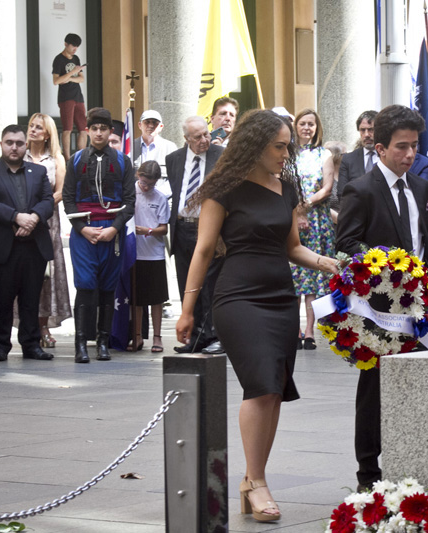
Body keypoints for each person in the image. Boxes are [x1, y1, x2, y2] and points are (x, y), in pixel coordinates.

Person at [176, 109, 339, 523]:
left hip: (280, 295)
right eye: (280, 146)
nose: (287, 153)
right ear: (255, 144)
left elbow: (292, 248)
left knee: (275, 390)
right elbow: (203, 249)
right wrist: (188, 309)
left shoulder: (285, 187)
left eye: (288, 146)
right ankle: (256, 482)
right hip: (238, 297)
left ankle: (253, 480)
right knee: (261, 383)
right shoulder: (224, 188)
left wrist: (327, 262)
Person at [336, 104, 428, 491]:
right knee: (374, 389)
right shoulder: (360, 189)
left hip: (420, 307)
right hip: (378, 309)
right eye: (401, 147)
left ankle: (415, 457)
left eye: (414, 146)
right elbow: (345, 243)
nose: (409, 154)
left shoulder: (423, 188)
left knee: (421, 379)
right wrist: (386, 270)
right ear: (379, 148)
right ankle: (368, 472)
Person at [0, 124, 55, 362]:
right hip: (2, 245)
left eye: (19, 143)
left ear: (25, 145)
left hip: (33, 245)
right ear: (1, 144)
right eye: (9, 142)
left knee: (31, 297)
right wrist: (16, 216)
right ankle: (0, 345)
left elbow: (48, 201)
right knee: (2, 298)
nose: (14, 147)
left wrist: (34, 218)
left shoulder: (37, 171)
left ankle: (31, 345)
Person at [63, 107, 135, 363]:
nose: (99, 133)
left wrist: (114, 228)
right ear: (88, 130)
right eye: (94, 128)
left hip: (112, 232)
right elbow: (68, 200)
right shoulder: (76, 160)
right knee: (85, 286)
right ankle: (81, 344)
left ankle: (102, 343)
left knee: (107, 288)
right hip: (84, 231)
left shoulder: (123, 161)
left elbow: (129, 201)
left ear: (110, 131)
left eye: (103, 129)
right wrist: (82, 229)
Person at [166, 116, 225, 354]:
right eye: (198, 137)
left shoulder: (220, 156)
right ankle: (194, 336)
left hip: (209, 228)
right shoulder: (174, 160)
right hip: (182, 227)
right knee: (186, 283)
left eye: (206, 134)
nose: (204, 140)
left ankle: (214, 335)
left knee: (210, 283)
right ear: (186, 139)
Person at [22, 113, 72, 348]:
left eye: (38, 127)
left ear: (47, 133)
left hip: (46, 224)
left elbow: (61, 192)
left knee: (45, 277)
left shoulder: (56, 159)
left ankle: (43, 326)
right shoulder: (19, 155)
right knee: (21, 275)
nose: (32, 130)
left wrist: (37, 211)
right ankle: (26, 327)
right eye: (31, 126)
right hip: (19, 224)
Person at [291, 109, 335, 350]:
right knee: (295, 276)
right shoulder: (287, 153)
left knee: (314, 275)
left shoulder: (324, 153)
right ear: (295, 126)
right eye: (303, 123)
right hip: (291, 219)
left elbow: (327, 187)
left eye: (311, 124)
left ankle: (310, 331)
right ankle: (294, 330)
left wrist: (306, 206)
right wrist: (296, 212)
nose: (307, 128)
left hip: (316, 219)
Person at [130, 161, 169, 353]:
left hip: (154, 254)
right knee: (136, 299)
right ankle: (136, 335)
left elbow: (163, 228)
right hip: (134, 252)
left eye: (151, 185)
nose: (146, 187)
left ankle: (157, 336)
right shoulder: (129, 193)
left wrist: (148, 231)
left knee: (156, 298)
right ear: (138, 175)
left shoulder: (160, 198)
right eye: (144, 182)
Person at [52, 33, 87, 160]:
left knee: (83, 129)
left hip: (78, 96)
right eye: (73, 46)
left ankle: (81, 157)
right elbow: (56, 81)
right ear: (66, 44)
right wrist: (73, 73)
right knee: (67, 128)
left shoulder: (76, 58)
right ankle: (66, 159)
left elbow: (82, 79)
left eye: (77, 47)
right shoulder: (58, 60)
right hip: (65, 97)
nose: (75, 49)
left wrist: (67, 78)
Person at [337, 110, 378, 196]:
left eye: (371, 130)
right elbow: (342, 193)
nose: (366, 134)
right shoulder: (348, 159)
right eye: (363, 130)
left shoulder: (388, 156)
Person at [133, 110, 177, 178]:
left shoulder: (170, 148)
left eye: (155, 123)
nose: (151, 125)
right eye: (147, 122)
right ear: (140, 125)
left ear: (161, 127)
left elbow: (176, 175)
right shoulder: (130, 147)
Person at [324, 140, 347, 224]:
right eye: (345, 154)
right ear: (336, 156)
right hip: (331, 225)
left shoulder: (347, 174)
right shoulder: (324, 177)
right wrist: (341, 221)